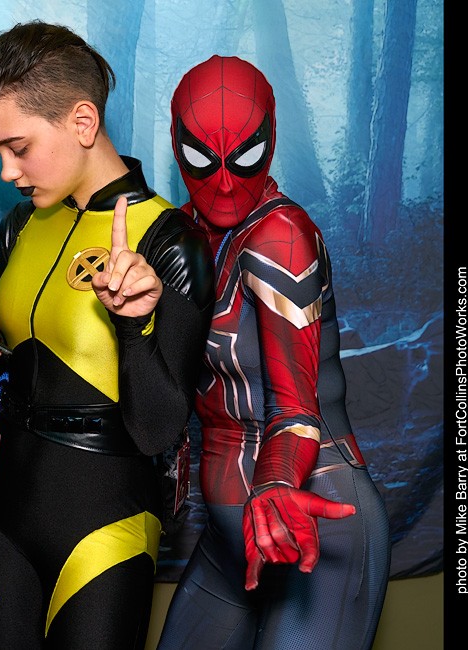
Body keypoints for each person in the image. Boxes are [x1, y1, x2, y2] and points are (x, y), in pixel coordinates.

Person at [0, 20, 215, 649]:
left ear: (83, 122)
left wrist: (131, 326)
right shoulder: (20, 224)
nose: (7, 171)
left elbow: (159, 429)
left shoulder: (173, 243)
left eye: (18, 147)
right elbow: (43, 366)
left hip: (102, 519)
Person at [156, 55, 391, 649]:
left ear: (271, 141)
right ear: (176, 146)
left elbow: (294, 407)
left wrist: (277, 482)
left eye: (246, 158)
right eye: (203, 160)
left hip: (307, 514)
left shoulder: (278, 236)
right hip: (230, 533)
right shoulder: (178, 233)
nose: (225, 183)